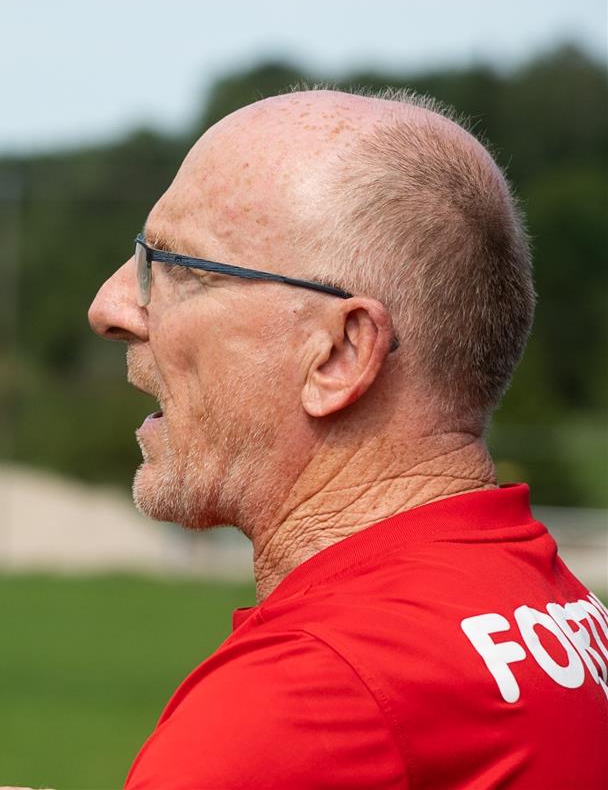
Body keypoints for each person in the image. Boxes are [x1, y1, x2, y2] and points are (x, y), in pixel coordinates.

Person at [78, 89, 608, 788]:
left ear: (339, 354)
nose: (110, 307)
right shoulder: (560, 613)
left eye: (178, 267)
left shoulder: (313, 694)